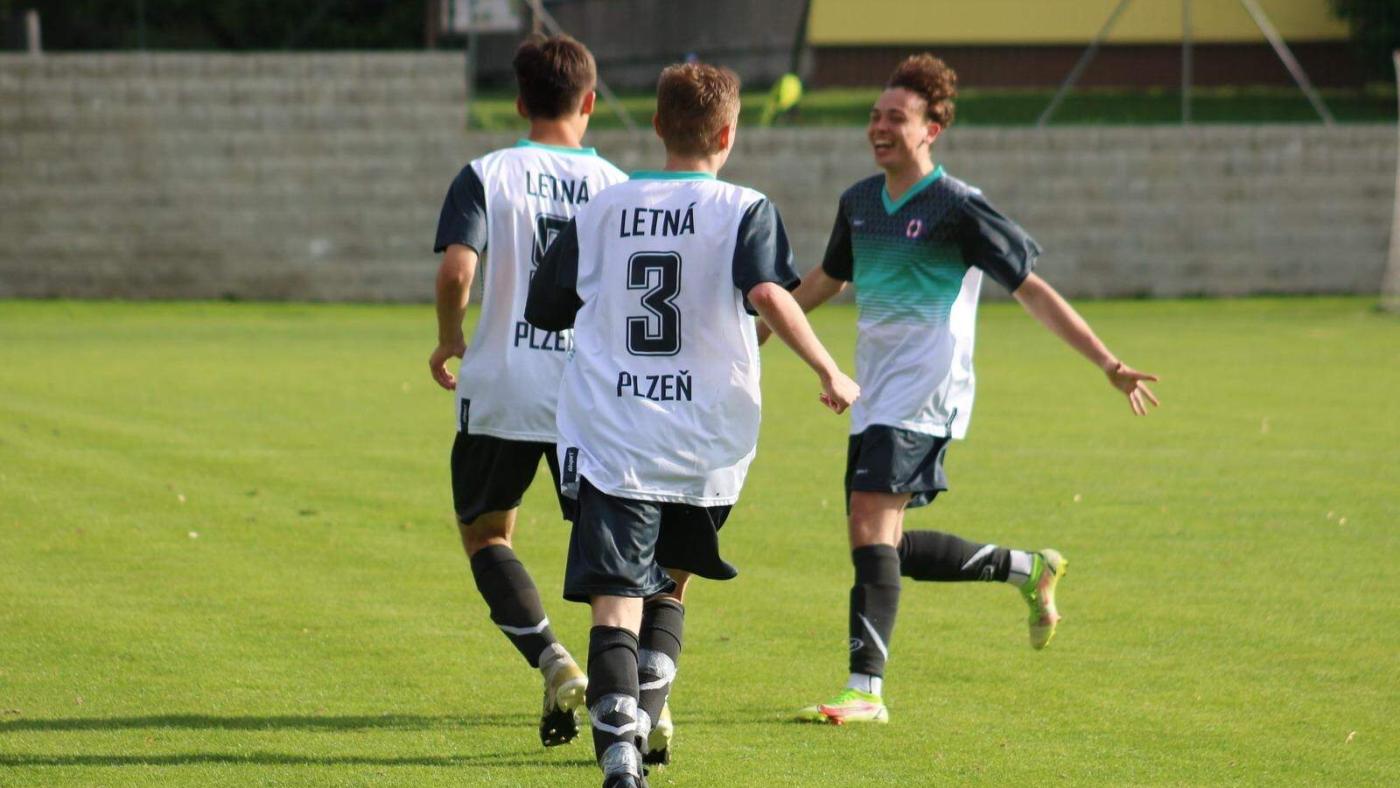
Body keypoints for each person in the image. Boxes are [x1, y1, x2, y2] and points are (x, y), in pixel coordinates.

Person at [761, 53, 1160, 725]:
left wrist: (1107, 362)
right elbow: (828, 278)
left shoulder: (959, 207)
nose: (879, 127)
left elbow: (1031, 290)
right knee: (882, 543)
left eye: (896, 117)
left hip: (927, 392)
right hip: (872, 392)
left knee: (869, 526)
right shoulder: (858, 202)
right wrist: (762, 327)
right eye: (875, 116)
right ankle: (1027, 569)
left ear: (932, 128)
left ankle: (865, 690)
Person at [526, 62, 860, 787]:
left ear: (656, 125)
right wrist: (829, 369)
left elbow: (546, 308)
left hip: (614, 434)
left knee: (616, 602)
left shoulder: (603, 208)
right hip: (707, 439)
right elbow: (768, 292)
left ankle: (620, 762)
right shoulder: (746, 207)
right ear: (729, 133)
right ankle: (645, 722)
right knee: (670, 589)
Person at [428, 34, 627, 747]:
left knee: (487, 534)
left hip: (505, 386)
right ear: (590, 101)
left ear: (519, 102)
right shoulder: (618, 188)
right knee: (611, 552)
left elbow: (458, 270)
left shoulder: (487, 173)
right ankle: (636, 693)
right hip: (591, 395)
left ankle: (552, 660)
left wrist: (450, 337)